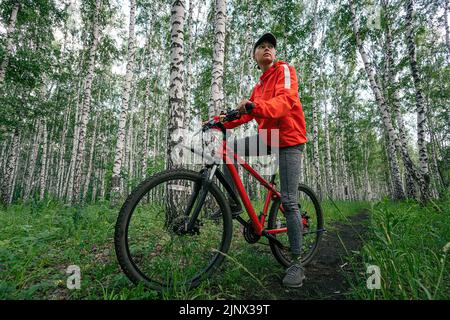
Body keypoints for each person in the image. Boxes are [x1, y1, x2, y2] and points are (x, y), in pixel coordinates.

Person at [221, 32, 308, 288]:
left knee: (290, 201)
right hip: (268, 137)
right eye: (262, 46)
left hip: (290, 139)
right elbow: (243, 114)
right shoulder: (258, 87)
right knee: (227, 150)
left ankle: (296, 263)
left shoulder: (285, 70)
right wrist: (219, 120)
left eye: (271, 46)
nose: (267, 49)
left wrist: (253, 107)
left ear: (274, 53)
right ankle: (233, 204)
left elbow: (286, 102)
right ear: (255, 56)